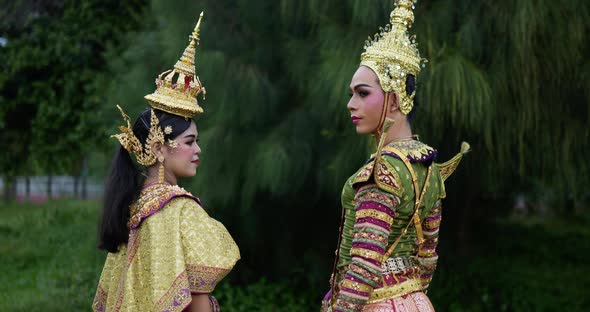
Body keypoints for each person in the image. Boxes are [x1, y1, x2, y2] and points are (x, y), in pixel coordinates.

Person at [321, 1, 469, 311]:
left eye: (362, 93)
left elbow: (362, 268)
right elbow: (427, 257)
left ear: (395, 97)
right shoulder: (428, 168)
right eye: (352, 93)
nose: (350, 103)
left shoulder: (380, 173)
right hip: (418, 301)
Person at [92, 13, 240, 312]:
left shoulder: (131, 208)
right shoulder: (179, 210)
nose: (198, 150)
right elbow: (197, 302)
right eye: (189, 142)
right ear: (159, 148)